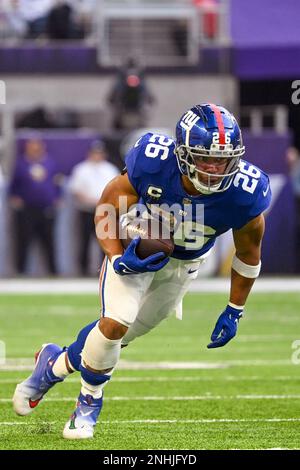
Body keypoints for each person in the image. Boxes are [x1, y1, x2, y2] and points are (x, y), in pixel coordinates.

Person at [13, 104, 271, 439]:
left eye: (222, 159)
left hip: (183, 267)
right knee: (115, 324)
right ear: (182, 154)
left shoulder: (245, 192)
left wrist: (235, 310)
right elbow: (107, 206)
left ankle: (54, 363)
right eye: (205, 157)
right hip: (137, 246)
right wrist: (118, 256)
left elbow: (249, 251)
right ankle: (88, 404)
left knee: (119, 337)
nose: (214, 168)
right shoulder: (153, 162)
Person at [9, 138, 61, 275]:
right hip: (27, 209)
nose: (35, 150)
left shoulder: (50, 163)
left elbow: (57, 182)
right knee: (24, 240)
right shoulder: (21, 164)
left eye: (37, 147)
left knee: (49, 240)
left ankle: (53, 271)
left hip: (46, 208)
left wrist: (57, 197)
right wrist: (15, 198)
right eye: (32, 147)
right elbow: (14, 185)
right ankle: (21, 271)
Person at [69, 142, 119, 275]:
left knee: (105, 242)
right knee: (84, 240)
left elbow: (116, 190)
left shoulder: (110, 169)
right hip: (87, 210)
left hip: (105, 212)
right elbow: (76, 190)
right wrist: (92, 201)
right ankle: (83, 270)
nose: (97, 156)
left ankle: (103, 270)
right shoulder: (81, 169)